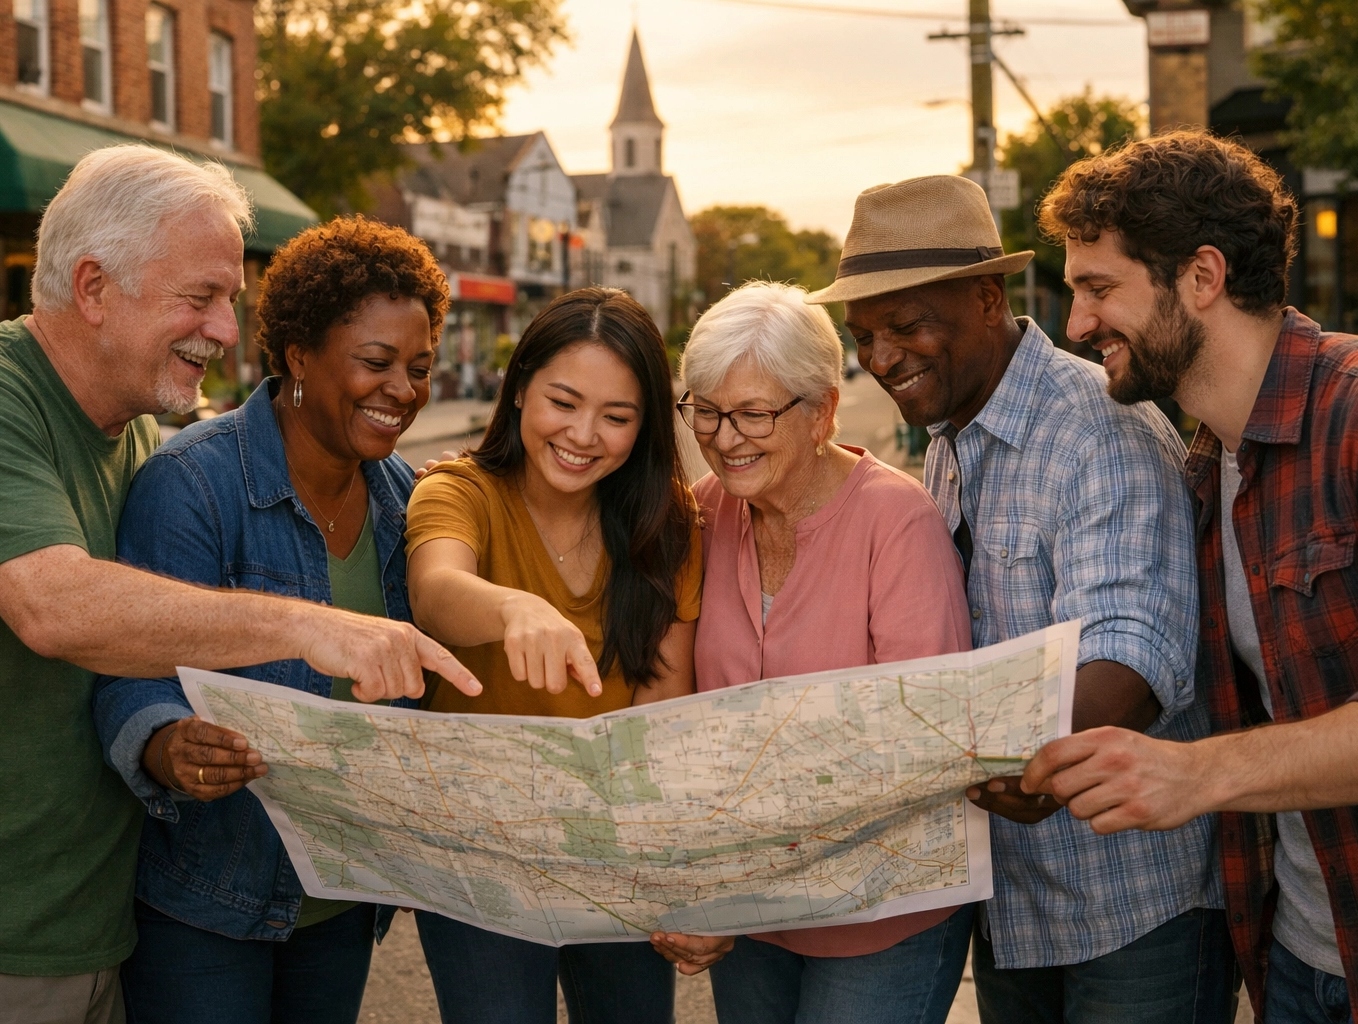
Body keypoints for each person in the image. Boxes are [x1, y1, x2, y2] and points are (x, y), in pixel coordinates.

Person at [0, 147, 474, 1024]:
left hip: (91, 927)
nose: (230, 331)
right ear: (93, 288)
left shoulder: (127, 432)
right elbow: (57, 608)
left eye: (231, 302)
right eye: (199, 298)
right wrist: (315, 629)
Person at [1025, 129, 1358, 1024]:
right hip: (1295, 959)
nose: (1078, 325)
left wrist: (1198, 774)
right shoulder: (1205, 470)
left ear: (1201, 277)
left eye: (1098, 288)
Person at [817, 174, 1235, 1024]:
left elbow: (1135, 652)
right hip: (1015, 903)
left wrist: (1015, 753)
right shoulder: (949, 440)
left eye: (905, 325)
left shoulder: (1095, 424)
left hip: (1133, 904)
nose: (882, 357)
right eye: (863, 336)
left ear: (984, 297)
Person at [89, 216, 464, 1023]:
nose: (402, 388)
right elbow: (127, 670)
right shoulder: (193, 483)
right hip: (206, 902)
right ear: (298, 356)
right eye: (375, 362)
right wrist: (163, 742)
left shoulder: (409, 501)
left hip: (341, 903)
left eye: (420, 367)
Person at [657, 281, 974, 1024]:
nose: (725, 437)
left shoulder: (897, 523)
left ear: (822, 410)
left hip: (881, 911)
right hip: (752, 916)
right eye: (706, 411)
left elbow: (922, 747)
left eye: (754, 414)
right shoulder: (704, 511)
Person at [404, 287, 703, 1024]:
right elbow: (436, 590)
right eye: (563, 402)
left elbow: (660, 706)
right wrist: (514, 608)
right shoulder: (460, 490)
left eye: (617, 416)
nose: (583, 434)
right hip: (480, 857)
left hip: (615, 852)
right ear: (518, 392)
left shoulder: (669, 522)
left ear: (647, 426)